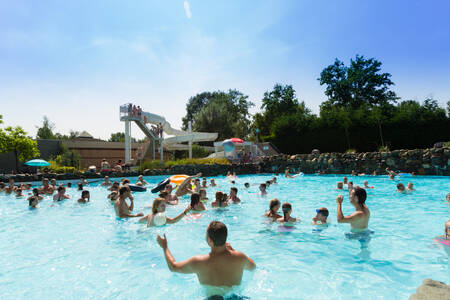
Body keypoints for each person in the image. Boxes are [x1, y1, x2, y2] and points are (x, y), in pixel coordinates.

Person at [156, 221, 256, 297]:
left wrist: (164, 247)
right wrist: (233, 251)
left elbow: (173, 267)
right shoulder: (240, 257)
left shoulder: (199, 262)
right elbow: (253, 267)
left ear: (210, 240)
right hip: (235, 297)